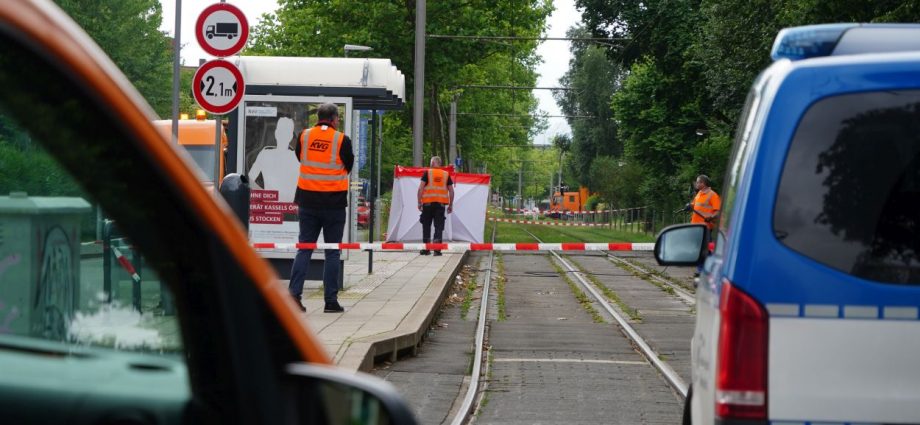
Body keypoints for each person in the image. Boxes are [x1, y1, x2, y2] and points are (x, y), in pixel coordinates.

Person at [288, 103, 353, 313]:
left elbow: (300, 157)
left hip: (307, 201)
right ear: (334, 119)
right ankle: (330, 302)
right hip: (334, 204)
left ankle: (294, 296)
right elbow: (349, 165)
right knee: (332, 252)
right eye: (338, 118)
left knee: (304, 248)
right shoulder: (342, 139)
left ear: (318, 117)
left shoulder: (304, 136)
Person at [248, 117, 300, 202]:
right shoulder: (297, 158)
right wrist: (264, 195)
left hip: (276, 206)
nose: (283, 136)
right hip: (285, 206)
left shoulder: (296, 158)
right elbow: (250, 179)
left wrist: (264, 195)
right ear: (276, 133)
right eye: (281, 132)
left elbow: (250, 180)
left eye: (286, 133)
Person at [417, 156, 454, 256]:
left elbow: (420, 188)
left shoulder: (427, 173)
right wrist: (450, 205)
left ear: (433, 163)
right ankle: (437, 250)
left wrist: (419, 202)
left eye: (431, 162)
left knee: (426, 225)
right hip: (440, 205)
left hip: (427, 204)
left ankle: (426, 249)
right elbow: (451, 191)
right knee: (439, 226)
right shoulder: (446, 174)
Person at [686, 174, 720, 276]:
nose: (696, 184)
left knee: (705, 249)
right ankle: (703, 269)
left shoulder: (713, 195)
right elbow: (695, 205)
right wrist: (689, 206)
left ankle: (705, 270)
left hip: (705, 227)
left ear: (703, 183)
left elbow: (718, 211)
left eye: (698, 182)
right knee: (699, 249)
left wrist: (711, 217)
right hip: (696, 226)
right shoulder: (699, 194)